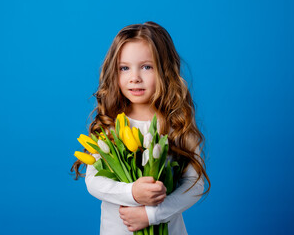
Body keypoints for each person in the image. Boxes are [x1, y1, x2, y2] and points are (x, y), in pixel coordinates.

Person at [71, 21, 210, 235]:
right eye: (124, 68)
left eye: (147, 67)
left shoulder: (178, 126)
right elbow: (93, 181)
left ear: (165, 70)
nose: (134, 77)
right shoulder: (111, 126)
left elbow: (194, 185)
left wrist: (152, 215)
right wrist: (132, 193)